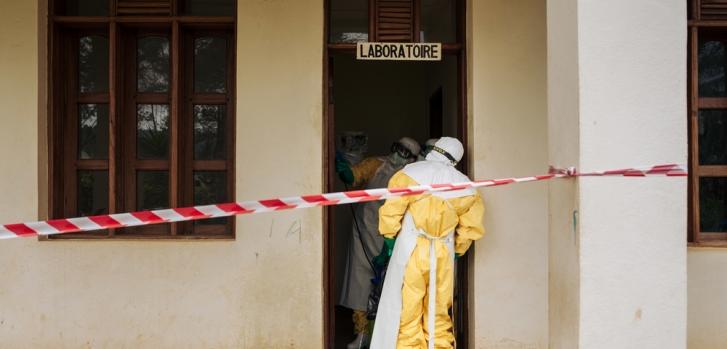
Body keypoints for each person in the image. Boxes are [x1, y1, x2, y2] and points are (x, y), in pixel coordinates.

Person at [371, 137, 485, 349]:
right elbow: (471, 226)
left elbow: (392, 209)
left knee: (409, 309)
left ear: (435, 149)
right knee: (438, 310)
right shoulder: (467, 187)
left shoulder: (410, 174)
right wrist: (458, 249)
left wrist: (388, 238)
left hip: (412, 249)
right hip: (443, 252)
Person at [336, 137, 421, 349]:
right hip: (364, 233)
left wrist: (390, 245)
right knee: (359, 285)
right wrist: (343, 166)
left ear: (411, 158)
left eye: (403, 152)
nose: (396, 154)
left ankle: (386, 338)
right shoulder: (375, 164)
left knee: (391, 288)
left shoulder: (411, 177)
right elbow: (354, 176)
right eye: (396, 148)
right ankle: (362, 336)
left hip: (393, 238)